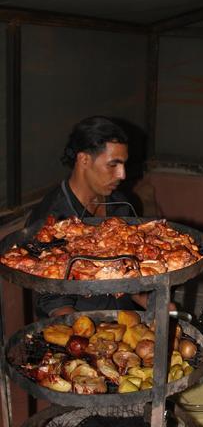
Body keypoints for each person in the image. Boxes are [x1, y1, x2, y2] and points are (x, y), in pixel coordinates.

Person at [26, 115, 153, 317]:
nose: (122, 174)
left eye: (124, 165)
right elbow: (53, 303)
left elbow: (127, 273)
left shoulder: (119, 205)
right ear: (84, 159)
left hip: (126, 320)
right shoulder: (52, 219)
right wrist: (90, 336)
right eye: (113, 165)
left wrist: (152, 303)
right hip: (77, 328)